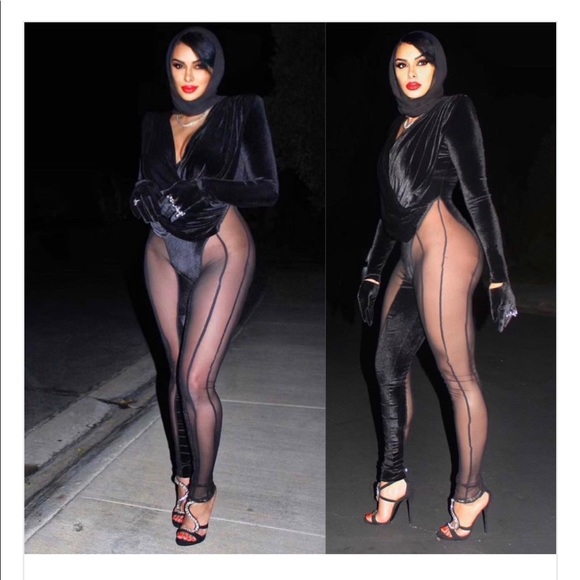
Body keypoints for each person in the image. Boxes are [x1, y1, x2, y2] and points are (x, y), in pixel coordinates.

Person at [357, 31, 517, 541]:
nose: (411, 73)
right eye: (402, 64)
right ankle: (392, 479)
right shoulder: (399, 125)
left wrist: (499, 274)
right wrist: (372, 270)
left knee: (457, 377)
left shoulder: (453, 110)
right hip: (409, 256)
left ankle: (470, 494)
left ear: (437, 67)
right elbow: (390, 209)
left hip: (447, 248)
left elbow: (479, 193)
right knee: (386, 367)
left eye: (422, 62)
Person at [130, 26, 278, 546]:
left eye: (199, 65)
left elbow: (267, 188)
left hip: (220, 246)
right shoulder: (154, 122)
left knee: (197, 380)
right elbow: (144, 180)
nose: (189, 76)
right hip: (161, 248)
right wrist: (141, 196)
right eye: (179, 65)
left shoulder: (241, 110)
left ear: (215, 69)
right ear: (168, 69)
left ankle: (204, 492)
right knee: (174, 373)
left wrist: (205, 186)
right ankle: (183, 476)